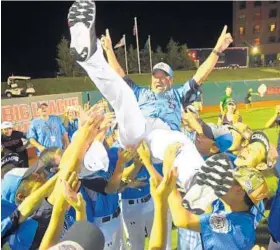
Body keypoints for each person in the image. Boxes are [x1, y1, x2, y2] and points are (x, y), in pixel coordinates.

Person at [68, 0, 233, 203]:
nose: (159, 78)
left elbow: (200, 75)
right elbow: (119, 75)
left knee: (180, 142)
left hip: (160, 138)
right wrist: (109, 50)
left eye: (164, 76)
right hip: (136, 131)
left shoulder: (178, 94)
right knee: (125, 97)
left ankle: (196, 186)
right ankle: (90, 56)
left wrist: (217, 50)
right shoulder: (141, 92)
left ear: (171, 80)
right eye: (156, 75)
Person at [166, 149, 269, 250]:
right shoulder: (233, 212)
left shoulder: (234, 224)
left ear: (238, 190)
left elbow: (183, 220)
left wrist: (169, 177)